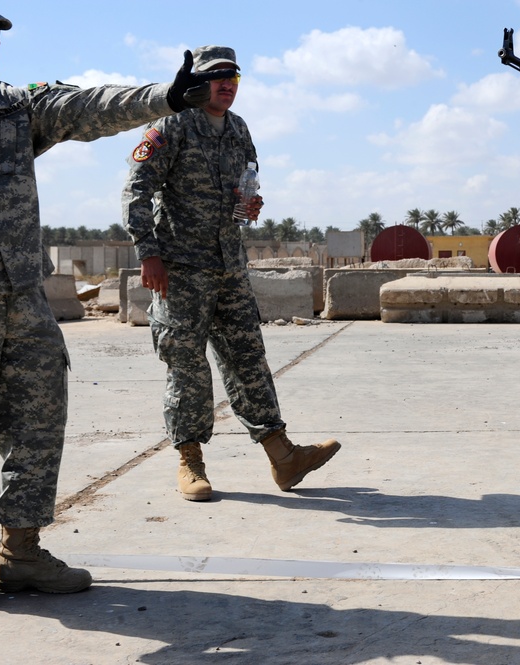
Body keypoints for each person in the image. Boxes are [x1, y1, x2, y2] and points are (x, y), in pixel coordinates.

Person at [0, 1, 235, 613]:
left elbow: (88, 106)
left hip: (23, 302)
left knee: (38, 425)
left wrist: (166, 96)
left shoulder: (13, 105)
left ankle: (23, 553)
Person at [121, 45, 341, 504]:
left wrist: (251, 204)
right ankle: (190, 461)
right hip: (181, 268)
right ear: (197, 81)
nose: (227, 84)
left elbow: (247, 183)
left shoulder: (239, 129)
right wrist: (149, 255)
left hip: (229, 266)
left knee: (248, 358)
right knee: (187, 366)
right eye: (217, 76)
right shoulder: (171, 125)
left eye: (233, 77)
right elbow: (135, 192)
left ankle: (283, 456)